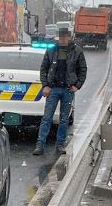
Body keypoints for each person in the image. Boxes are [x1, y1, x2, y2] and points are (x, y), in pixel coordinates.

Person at [33, 26, 87, 155]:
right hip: (53, 89)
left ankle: (60, 145)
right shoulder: (52, 50)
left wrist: (77, 85)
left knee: (64, 119)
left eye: (65, 37)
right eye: (61, 37)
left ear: (69, 37)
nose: (63, 39)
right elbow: (44, 69)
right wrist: (45, 85)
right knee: (47, 118)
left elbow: (83, 70)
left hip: (68, 90)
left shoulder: (77, 51)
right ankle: (40, 145)